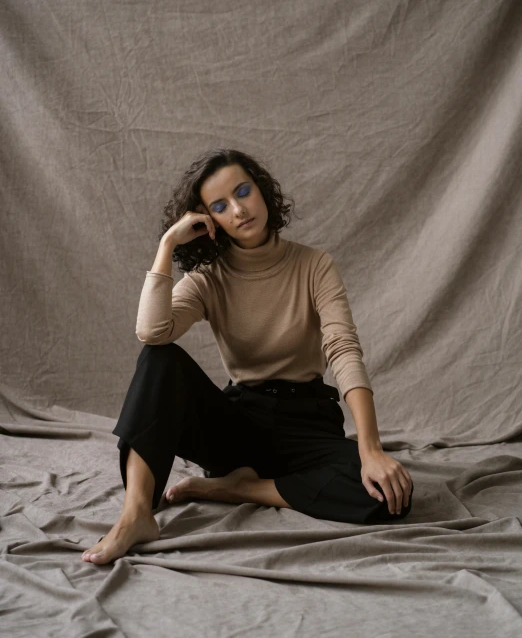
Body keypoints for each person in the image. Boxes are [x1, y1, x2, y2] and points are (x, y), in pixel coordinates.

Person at [81, 148, 414, 565]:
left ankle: (235, 488)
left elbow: (343, 350)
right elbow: (152, 331)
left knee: (389, 497)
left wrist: (371, 449)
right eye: (221, 206)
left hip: (307, 424)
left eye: (244, 192)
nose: (238, 210)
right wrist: (167, 244)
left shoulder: (315, 266)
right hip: (239, 424)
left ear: (263, 192)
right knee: (158, 359)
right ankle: (136, 514)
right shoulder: (208, 278)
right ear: (207, 219)